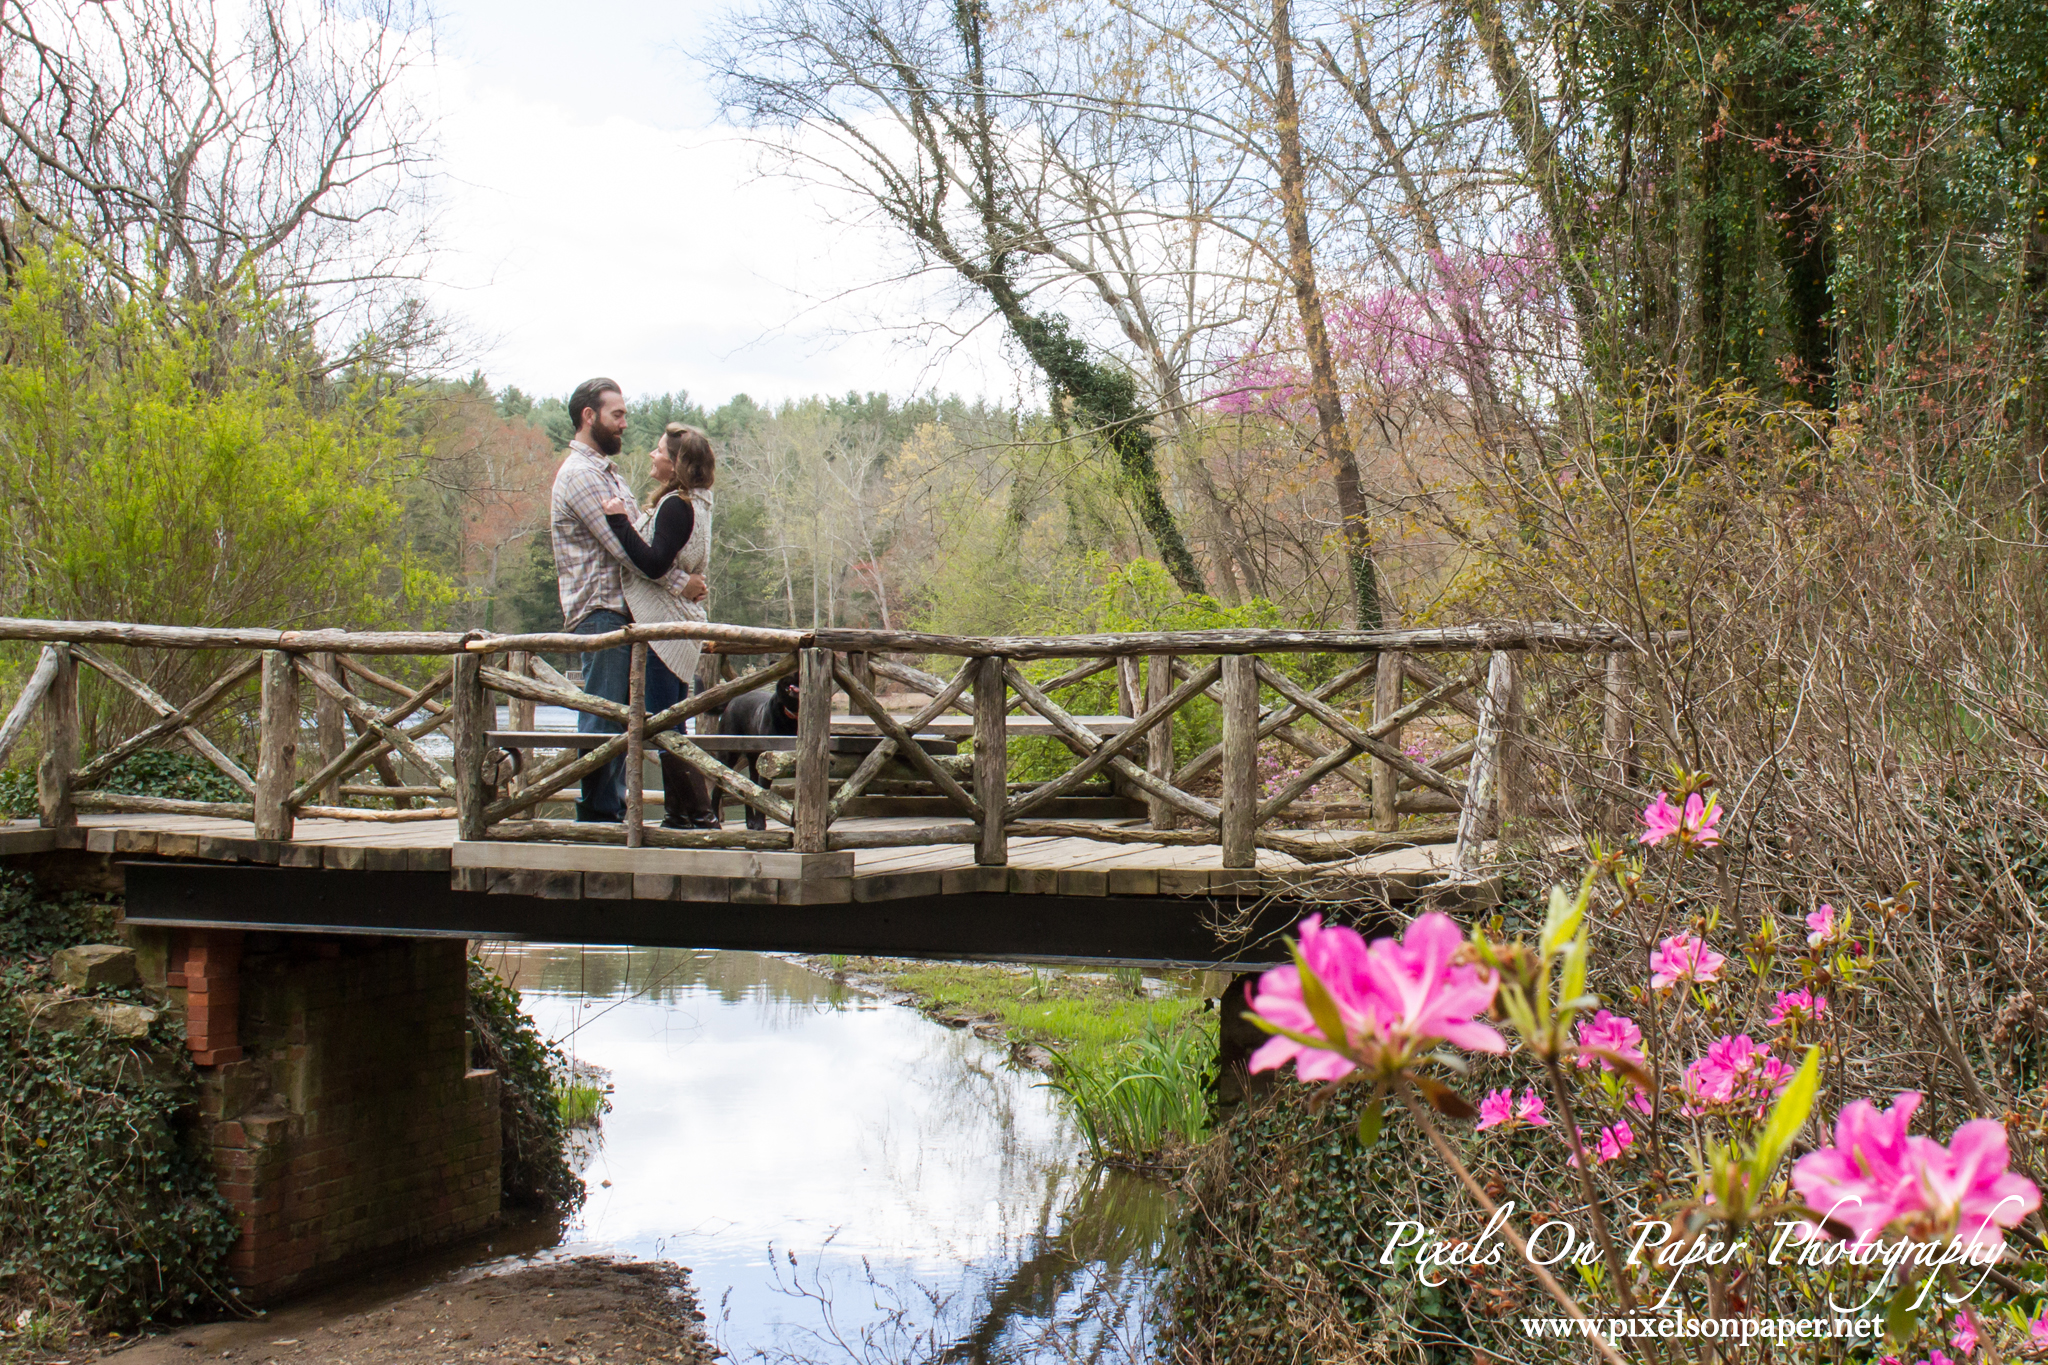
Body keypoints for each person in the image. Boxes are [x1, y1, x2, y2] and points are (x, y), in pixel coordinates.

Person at [601, 425, 719, 828]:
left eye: (658, 451)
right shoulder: (696, 503)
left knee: (665, 722)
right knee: (669, 720)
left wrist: (618, 524)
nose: (652, 455)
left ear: (676, 463)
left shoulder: (677, 506)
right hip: (676, 624)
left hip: (667, 628)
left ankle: (698, 816)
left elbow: (653, 563)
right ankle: (682, 815)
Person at [548, 377, 641, 822]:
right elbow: (626, 547)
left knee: (622, 717)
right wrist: (680, 582)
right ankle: (598, 815)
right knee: (603, 715)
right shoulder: (582, 475)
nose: (625, 423)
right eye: (617, 414)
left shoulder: (609, 473)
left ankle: (610, 811)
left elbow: (642, 534)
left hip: (622, 611)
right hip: (599, 612)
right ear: (590, 416)